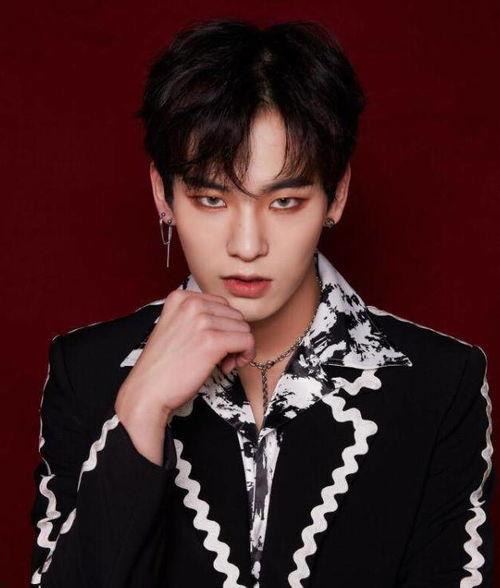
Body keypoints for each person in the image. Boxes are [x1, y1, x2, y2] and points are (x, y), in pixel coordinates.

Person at [29, 18, 494, 588]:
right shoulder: (87, 372)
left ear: (336, 195)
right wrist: (141, 412)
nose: (247, 246)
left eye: (285, 201)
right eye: (211, 199)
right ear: (162, 194)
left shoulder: (440, 384)